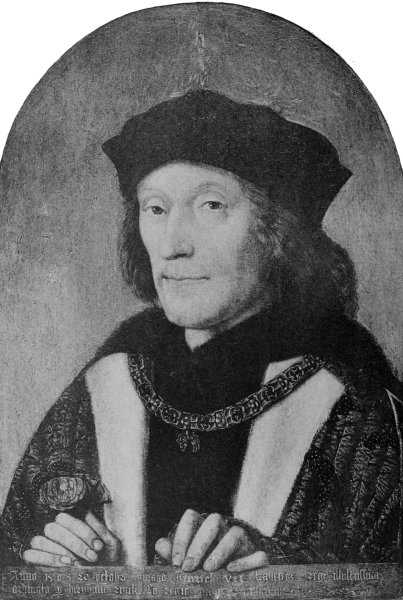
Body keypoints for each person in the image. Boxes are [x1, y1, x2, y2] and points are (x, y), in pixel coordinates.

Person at [0, 90, 401, 570]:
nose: (173, 245)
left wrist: (275, 569)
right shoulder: (108, 383)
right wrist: (63, 558)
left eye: (211, 205)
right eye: (155, 209)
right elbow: (12, 554)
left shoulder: (352, 398)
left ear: (280, 234)